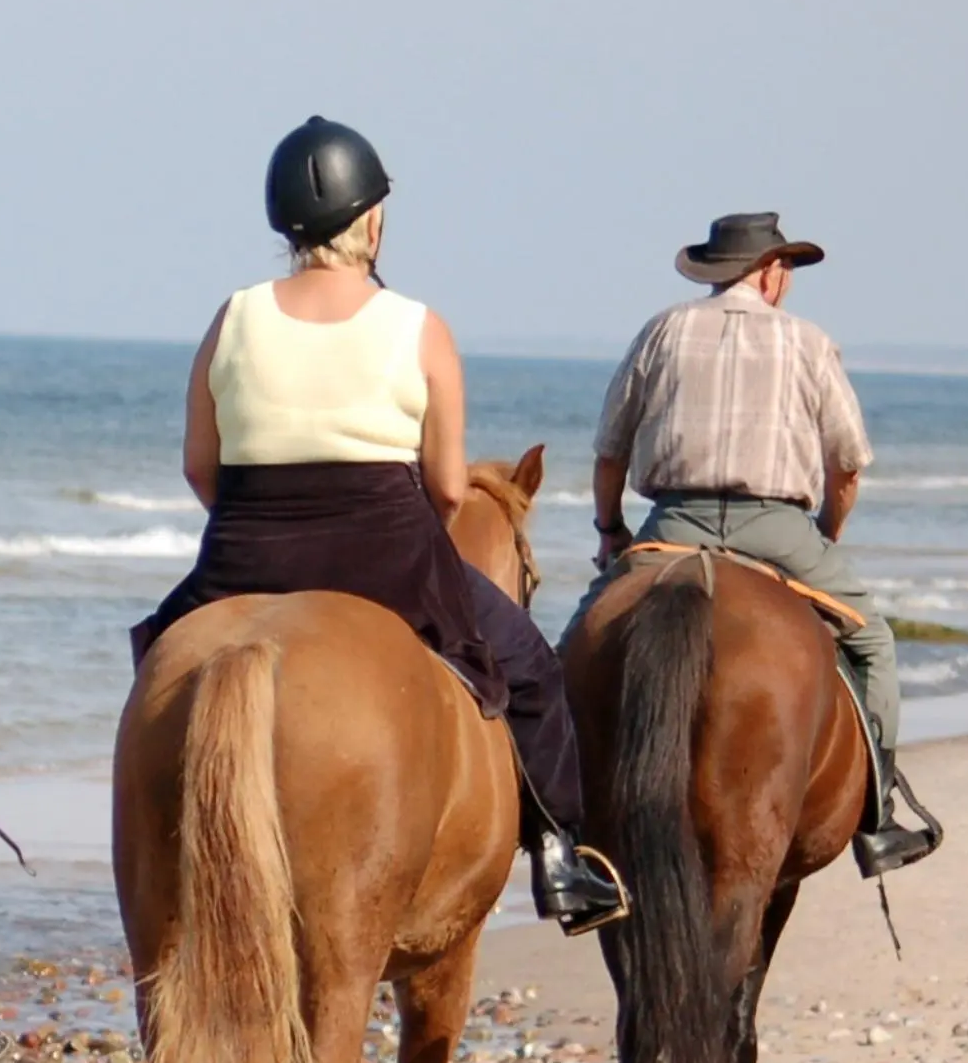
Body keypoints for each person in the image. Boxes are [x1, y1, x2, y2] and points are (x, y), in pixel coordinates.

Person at [134, 119, 627, 932]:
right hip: (387, 554)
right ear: (371, 221)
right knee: (532, 669)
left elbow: (199, 465)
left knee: (158, 664)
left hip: (244, 550)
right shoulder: (419, 327)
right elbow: (442, 483)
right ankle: (560, 858)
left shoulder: (232, 318)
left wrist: (264, 524)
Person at [586, 212, 942, 874]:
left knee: (581, 642)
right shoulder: (807, 342)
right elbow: (848, 466)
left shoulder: (663, 329)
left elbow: (609, 452)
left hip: (673, 525)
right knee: (872, 643)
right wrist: (824, 539)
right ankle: (881, 815)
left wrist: (611, 531)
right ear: (771, 273)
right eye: (788, 270)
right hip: (776, 526)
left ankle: (557, 825)